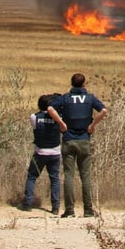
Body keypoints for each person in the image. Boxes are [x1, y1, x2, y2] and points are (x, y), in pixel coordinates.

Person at [48, 74, 107, 218]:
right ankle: (88, 209)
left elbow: (50, 108)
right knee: (85, 176)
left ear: (72, 83)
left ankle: (69, 209)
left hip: (68, 139)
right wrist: (92, 125)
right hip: (84, 140)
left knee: (69, 175)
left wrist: (61, 124)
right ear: (84, 84)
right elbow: (104, 111)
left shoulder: (66, 98)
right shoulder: (90, 98)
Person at [21, 94, 67, 213]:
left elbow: (35, 128)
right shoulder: (59, 118)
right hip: (55, 152)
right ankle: (56, 207)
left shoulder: (34, 117)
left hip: (40, 152)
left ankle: (28, 204)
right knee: (55, 179)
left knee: (32, 177)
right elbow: (63, 129)